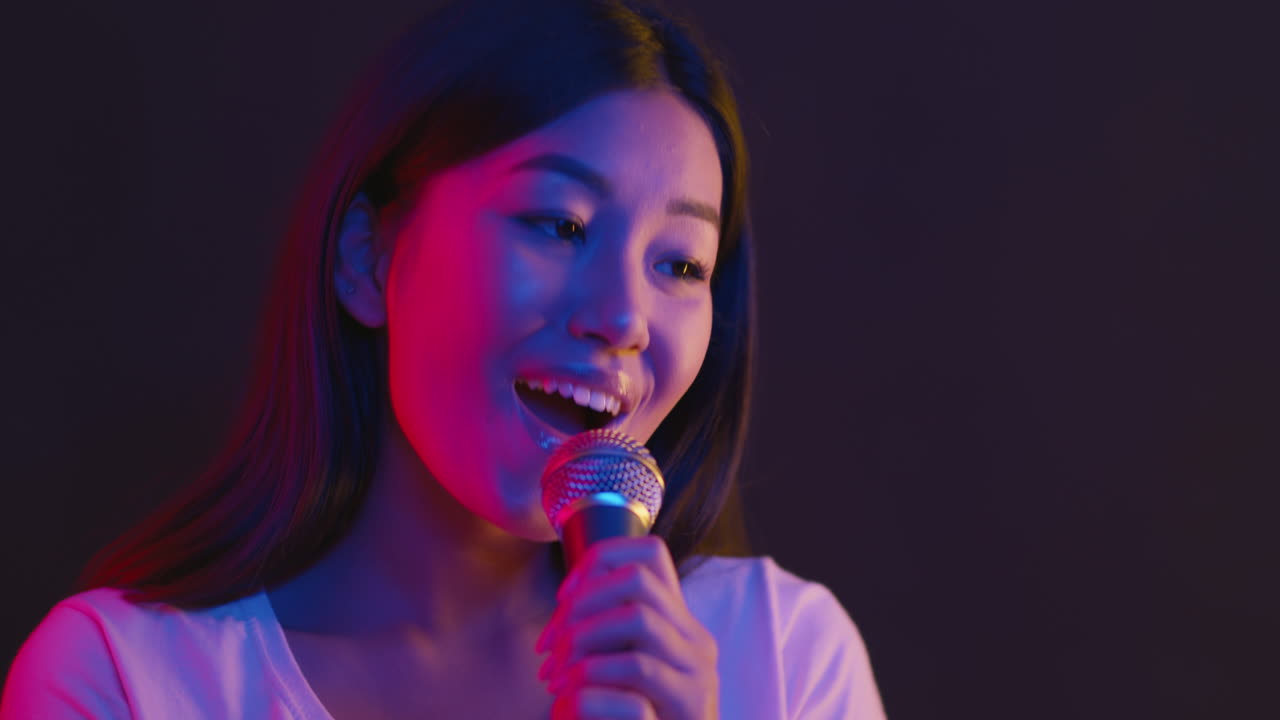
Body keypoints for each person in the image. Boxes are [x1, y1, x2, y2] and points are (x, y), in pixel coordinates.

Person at [1, 0, 884, 717]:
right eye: (560, 224)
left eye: (681, 265)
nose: (623, 317)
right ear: (368, 259)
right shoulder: (122, 680)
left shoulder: (786, 657)